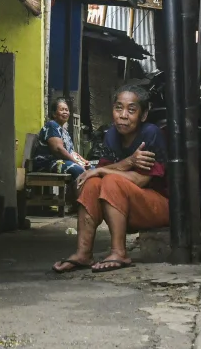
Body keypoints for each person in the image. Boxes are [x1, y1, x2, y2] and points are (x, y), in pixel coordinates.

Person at [51, 84, 169, 274]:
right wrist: (128, 162)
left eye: (131, 110)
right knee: (92, 182)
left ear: (143, 115)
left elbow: (140, 180)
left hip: (159, 205)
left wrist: (103, 171)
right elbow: (102, 171)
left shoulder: (150, 133)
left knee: (110, 180)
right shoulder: (112, 135)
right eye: (118, 108)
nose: (123, 115)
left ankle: (119, 252)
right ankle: (83, 253)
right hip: (125, 205)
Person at [31, 97, 89, 182]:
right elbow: (58, 149)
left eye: (67, 110)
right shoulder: (52, 125)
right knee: (78, 170)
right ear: (54, 114)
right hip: (47, 164)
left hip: (60, 162)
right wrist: (77, 163)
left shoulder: (65, 132)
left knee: (91, 169)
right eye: (62, 110)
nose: (65, 112)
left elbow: (71, 152)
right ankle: (78, 191)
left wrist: (84, 161)